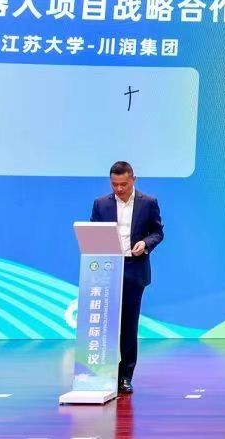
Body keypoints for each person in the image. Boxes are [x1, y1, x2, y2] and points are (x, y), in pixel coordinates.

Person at [90, 161, 164, 394]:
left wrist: (146, 244)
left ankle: (125, 376)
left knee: (128, 325)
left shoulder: (148, 203)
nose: (119, 189)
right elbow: (93, 232)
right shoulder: (101, 204)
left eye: (123, 184)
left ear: (133, 180)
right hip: (107, 270)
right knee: (106, 323)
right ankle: (104, 374)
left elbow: (158, 232)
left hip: (134, 268)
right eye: (114, 184)